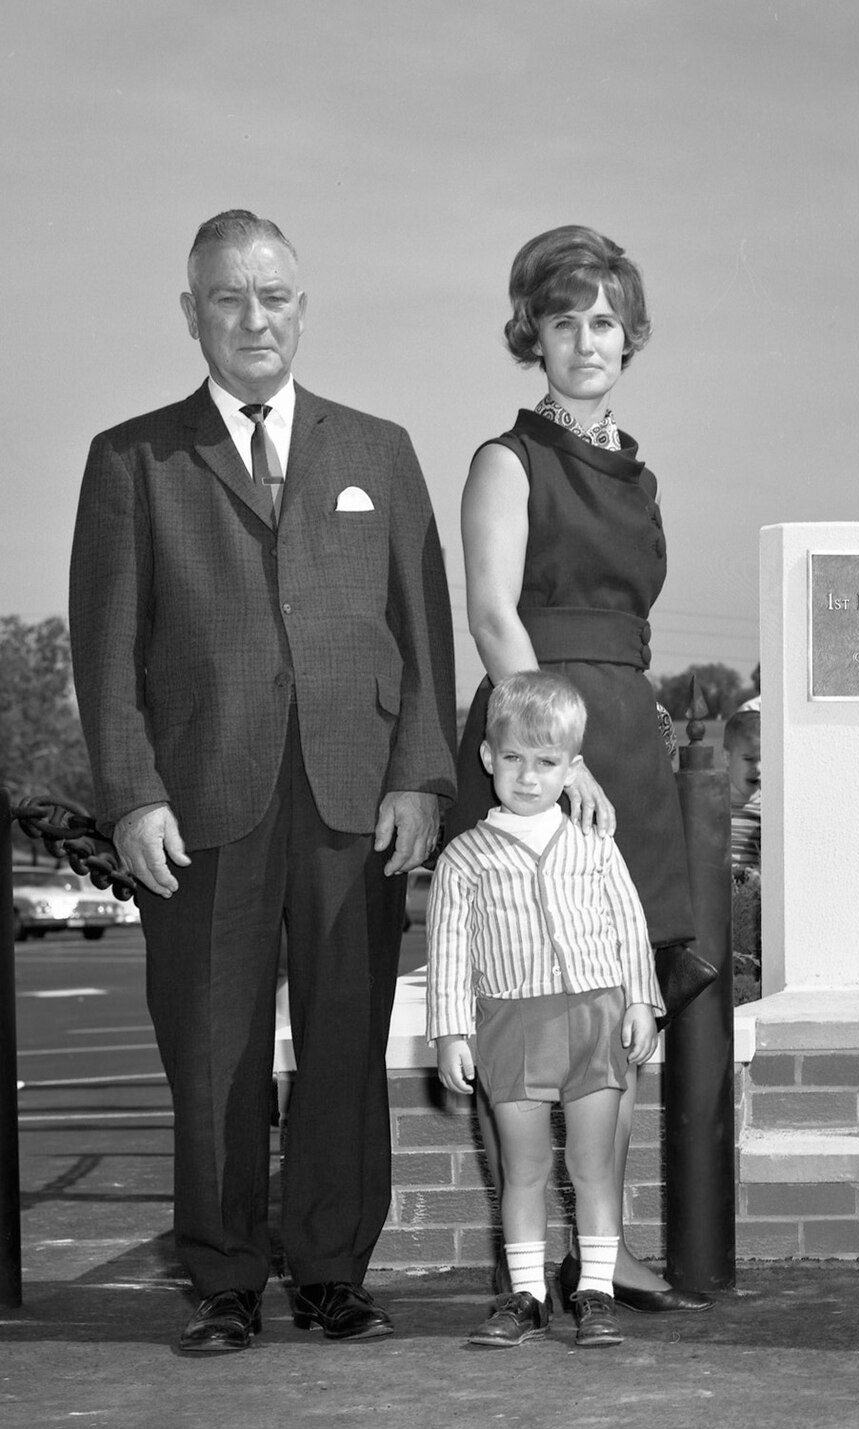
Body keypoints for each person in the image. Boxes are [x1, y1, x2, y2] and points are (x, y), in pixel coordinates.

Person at [68, 210, 457, 1353]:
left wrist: (421, 777)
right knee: (214, 1052)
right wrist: (133, 796)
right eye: (228, 299)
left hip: (353, 801)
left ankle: (333, 1274)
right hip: (199, 812)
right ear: (192, 314)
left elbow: (422, 630)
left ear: (303, 306)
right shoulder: (130, 458)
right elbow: (104, 654)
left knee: (344, 1044)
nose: (254, 319)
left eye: (274, 296)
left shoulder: (376, 449)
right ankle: (226, 1283)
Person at [450, 224, 711, 1314]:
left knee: (611, 1003)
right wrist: (560, 763)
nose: (586, 338)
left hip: (628, 744)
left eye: (605, 320)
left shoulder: (638, 471)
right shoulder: (506, 461)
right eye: (564, 322)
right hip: (538, 737)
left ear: (628, 335)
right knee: (524, 996)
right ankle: (532, 1253)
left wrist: (633, 735)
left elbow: (629, 625)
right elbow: (491, 611)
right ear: (534, 338)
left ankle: (601, 1248)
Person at [428, 672, 663, 1349]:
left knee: (594, 1165)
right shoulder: (466, 858)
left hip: (595, 1017)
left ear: (570, 765)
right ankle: (527, 1294)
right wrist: (450, 1031)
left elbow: (628, 925)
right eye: (513, 759)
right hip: (511, 1025)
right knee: (524, 1166)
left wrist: (642, 1001)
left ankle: (595, 1288)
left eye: (547, 762)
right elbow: (447, 949)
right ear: (487, 758)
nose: (528, 777)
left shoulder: (593, 843)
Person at [724, 706, 762, 870]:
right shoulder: (715, 805)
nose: (758, 768)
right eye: (749, 759)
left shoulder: (766, 808)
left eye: (764, 758)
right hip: (720, 891)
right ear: (727, 758)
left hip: (755, 891)